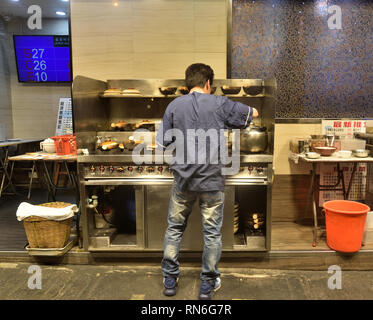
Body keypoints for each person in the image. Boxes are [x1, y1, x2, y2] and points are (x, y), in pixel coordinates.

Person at [156, 63, 258, 300]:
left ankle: (170, 280)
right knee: (211, 233)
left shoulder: (174, 105)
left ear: (187, 84)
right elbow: (253, 113)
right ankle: (207, 285)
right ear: (209, 84)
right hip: (211, 181)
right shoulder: (219, 103)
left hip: (182, 181)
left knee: (174, 228)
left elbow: (162, 143)